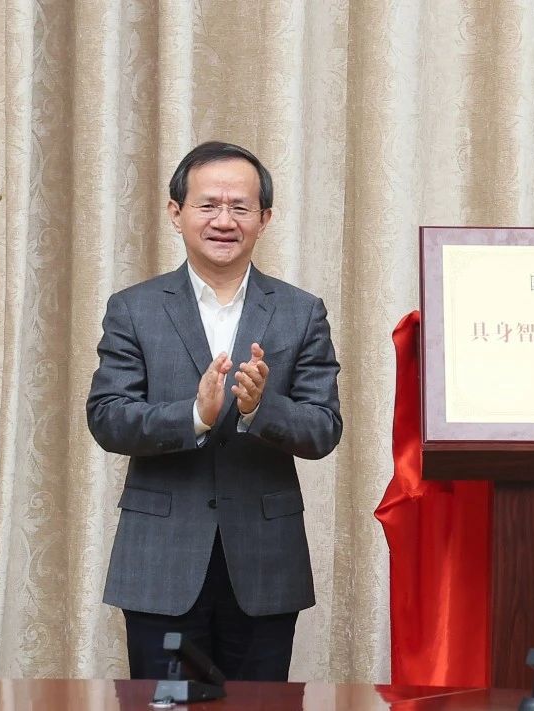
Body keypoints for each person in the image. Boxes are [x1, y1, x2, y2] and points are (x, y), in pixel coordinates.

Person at [87, 141, 342, 681]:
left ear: (264, 218)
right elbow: (107, 416)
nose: (224, 220)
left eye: (240, 207)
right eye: (208, 205)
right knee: (165, 706)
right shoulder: (133, 308)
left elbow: (323, 428)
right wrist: (195, 416)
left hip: (265, 562)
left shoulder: (301, 312)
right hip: (160, 560)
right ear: (176, 213)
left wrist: (260, 408)